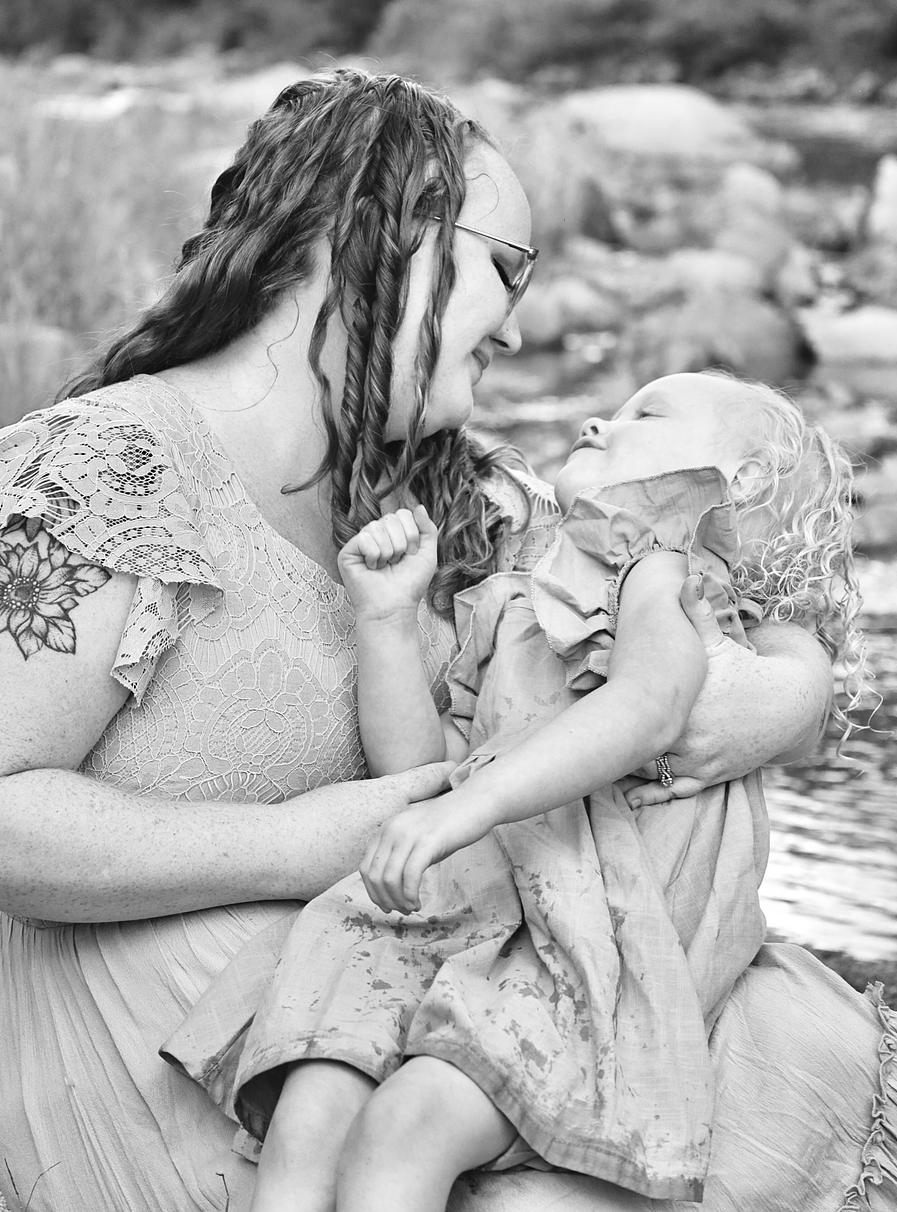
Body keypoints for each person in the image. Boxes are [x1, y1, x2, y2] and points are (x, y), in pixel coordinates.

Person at [0, 68, 833, 1212]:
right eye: (506, 268)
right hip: (158, 1048)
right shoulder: (102, 471)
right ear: (378, 230)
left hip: (418, 1007)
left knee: (793, 1056)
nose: (520, 325)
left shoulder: (457, 488)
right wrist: (288, 846)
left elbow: (714, 581)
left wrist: (793, 692)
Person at [162, 370, 870, 1212]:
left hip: (590, 931)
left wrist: (463, 811)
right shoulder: (517, 603)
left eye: (648, 415)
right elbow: (428, 763)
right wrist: (387, 623)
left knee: (409, 1127)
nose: (600, 420)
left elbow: (647, 708)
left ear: (736, 482)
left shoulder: (668, 574)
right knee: (311, 1111)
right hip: (474, 905)